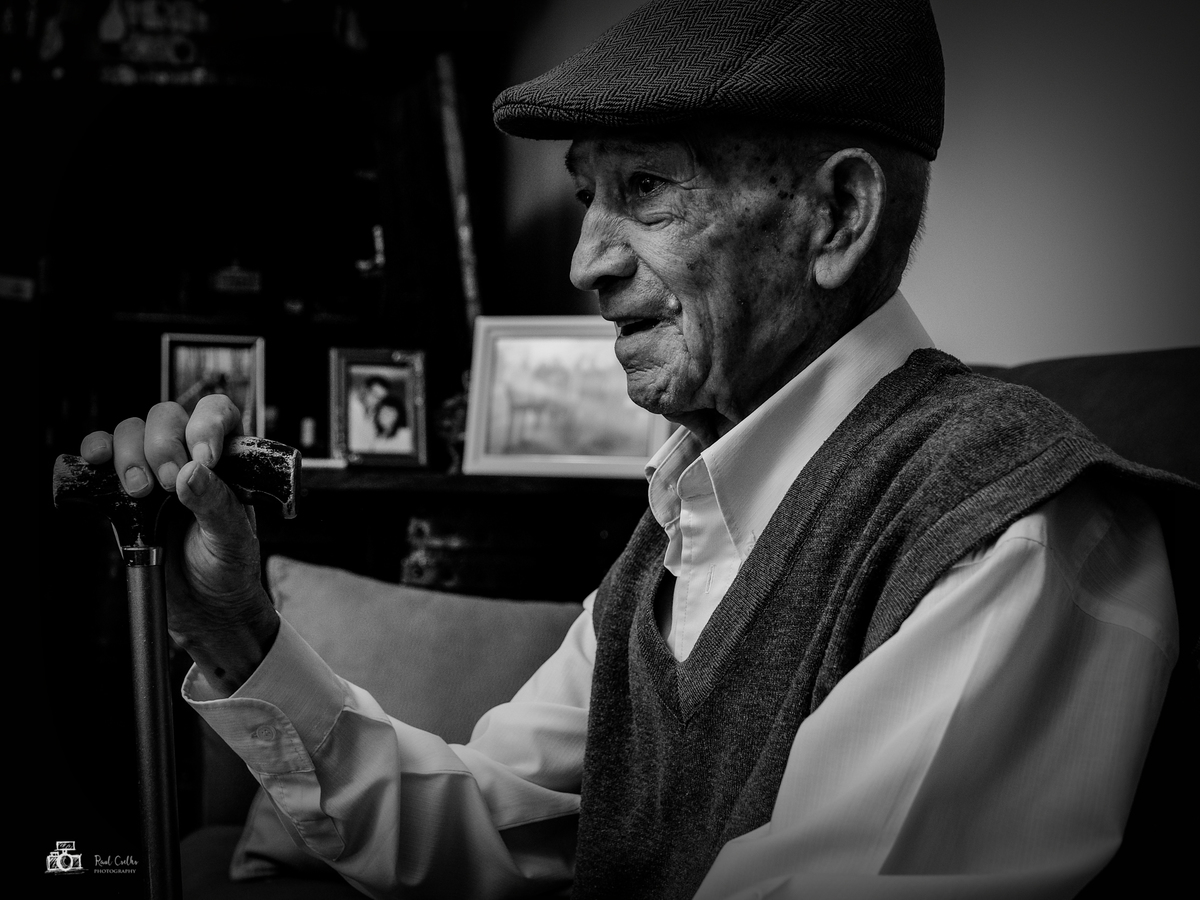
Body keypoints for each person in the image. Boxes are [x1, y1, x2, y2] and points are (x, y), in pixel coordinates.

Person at [79, 1, 1194, 898]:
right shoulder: (683, 518)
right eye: (586, 196)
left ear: (838, 217)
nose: (584, 262)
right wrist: (235, 630)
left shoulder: (1009, 527)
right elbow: (484, 826)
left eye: (647, 190)